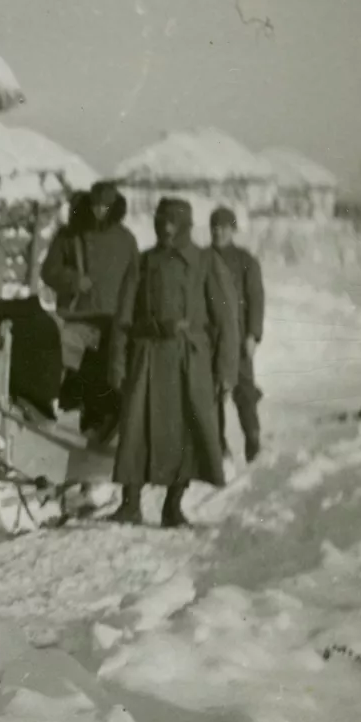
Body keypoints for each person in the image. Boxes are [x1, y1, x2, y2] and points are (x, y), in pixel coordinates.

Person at [106, 198, 241, 528]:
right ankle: (130, 504)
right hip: (148, 357)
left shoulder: (206, 262)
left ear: (185, 226)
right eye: (161, 221)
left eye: (173, 223)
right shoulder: (143, 262)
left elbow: (227, 320)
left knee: (189, 435)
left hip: (188, 362)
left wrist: (226, 370)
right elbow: (123, 317)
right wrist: (117, 362)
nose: (166, 229)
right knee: (136, 429)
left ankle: (173, 506)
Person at [41, 180, 139, 440]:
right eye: (95, 205)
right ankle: (64, 428)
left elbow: (136, 282)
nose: (99, 211)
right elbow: (48, 271)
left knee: (109, 378)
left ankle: (105, 430)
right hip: (76, 319)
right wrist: (73, 280)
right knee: (66, 371)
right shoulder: (70, 235)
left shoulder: (126, 241)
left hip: (114, 323)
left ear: (114, 207)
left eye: (105, 206)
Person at [209, 207, 265, 463]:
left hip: (239, 338)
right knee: (210, 395)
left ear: (233, 230)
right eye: (215, 227)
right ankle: (218, 447)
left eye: (224, 227)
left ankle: (253, 442)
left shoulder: (245, 260)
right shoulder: (202, 258)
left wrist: (253, 334)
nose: (219, 232)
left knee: (244, 392)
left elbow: (256, 299)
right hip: (209, 339)